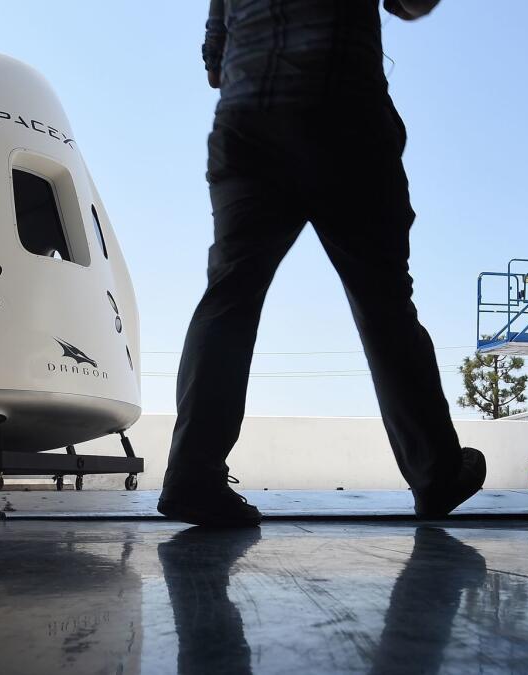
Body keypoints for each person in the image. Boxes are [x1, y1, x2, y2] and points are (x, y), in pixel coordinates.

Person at [157, 0, 486, 528]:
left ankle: (192, 476)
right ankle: (436, 472)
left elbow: (215, 65)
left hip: (247, 121)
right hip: (345, 115)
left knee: (230, 296)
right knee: (383, 302)